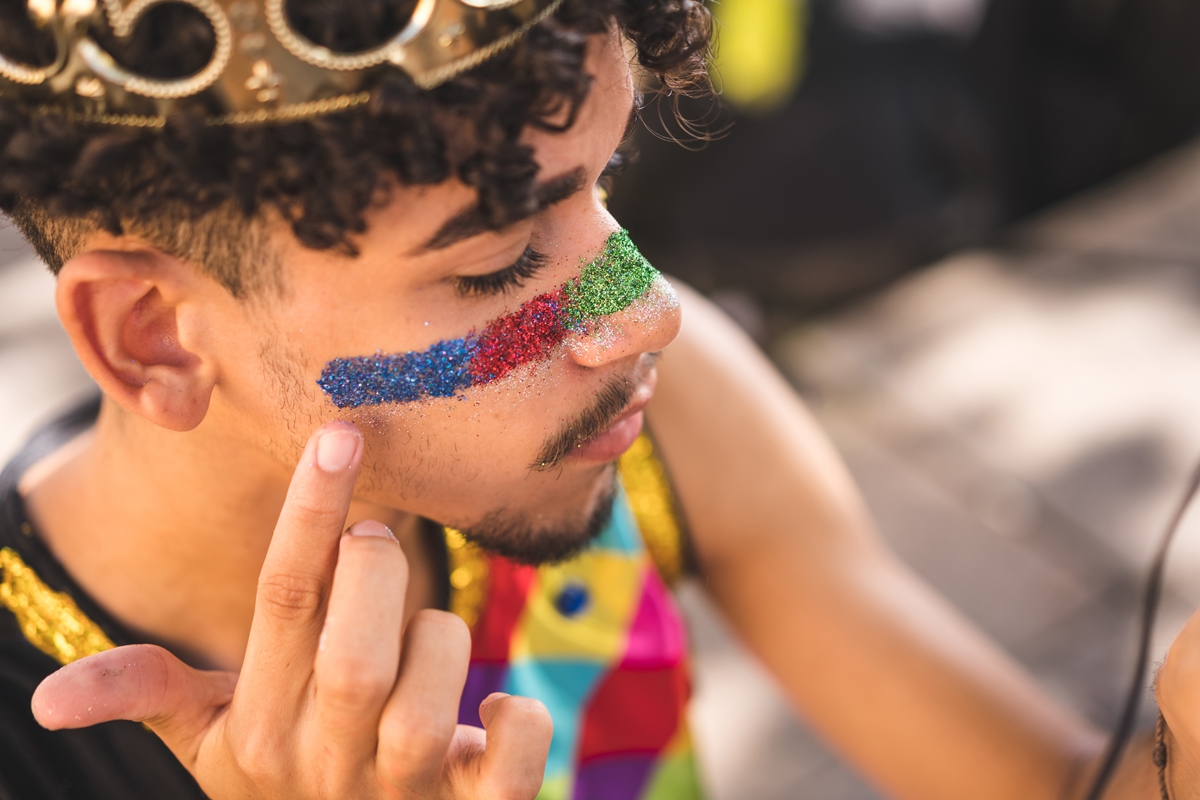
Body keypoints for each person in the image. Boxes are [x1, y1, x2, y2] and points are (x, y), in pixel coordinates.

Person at [0, 1, 1194, 799]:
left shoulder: (654, 423)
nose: (645, 312)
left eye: (607, 181)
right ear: (152, 338)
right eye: (496, 263)